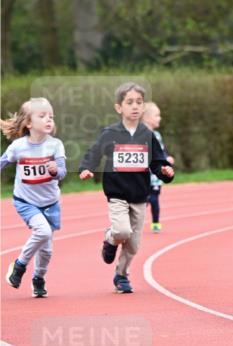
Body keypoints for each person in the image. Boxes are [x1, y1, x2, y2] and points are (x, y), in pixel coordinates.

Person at [79, 82, 174, 293]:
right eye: (129, 102)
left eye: (139, 102)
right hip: (117, 194)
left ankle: (121, 275)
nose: (135, 107)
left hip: (140, 195)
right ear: (119, 107)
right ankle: (110, 238)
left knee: (133, 244)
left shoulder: (147, 136)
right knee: (121, 231)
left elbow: (157, 163)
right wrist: (87, 168)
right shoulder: (110, 133)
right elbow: (94, 152)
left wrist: (165, 172)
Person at [1, 97, 66, 298]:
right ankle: (19, 266)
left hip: (50, 203)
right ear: (29, 123)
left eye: (51, 116)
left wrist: (56, 171)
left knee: (46, 251)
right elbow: (2, 162)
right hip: (26, 202)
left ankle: (38, 278)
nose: (49, 119)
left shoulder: (55, 145)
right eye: (42, 116)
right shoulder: (18, 147)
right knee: (43, 231)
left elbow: (62, 172)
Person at [142, 101, 175, 232]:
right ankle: (133, 222)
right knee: (141, 201)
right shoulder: (139, 135)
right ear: (147, 118)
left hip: (155, 176)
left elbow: (160, 152)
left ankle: (155, 222)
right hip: (142, 175)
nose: (159, 118)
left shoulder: (157, 136)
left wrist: (166, 159)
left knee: (154, 199)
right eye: (157, 115)